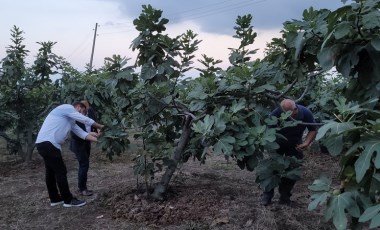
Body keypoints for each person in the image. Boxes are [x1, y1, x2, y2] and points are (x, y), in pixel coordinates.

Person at [35, 102, 104, 208]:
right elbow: (85, 120)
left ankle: (55, 199)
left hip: (42, 144)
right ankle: (68, 200)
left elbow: (82, 134)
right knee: (61, 172)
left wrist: (100, 140)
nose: (83, 114)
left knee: (51, 172)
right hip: (49, 144)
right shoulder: (67, 107)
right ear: (78, 107)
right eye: (83, 111)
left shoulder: (70, 121)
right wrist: (100, 126)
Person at [261, 99, 317, 206]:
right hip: (276, 144)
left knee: (293, 170)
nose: (287, 116)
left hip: (295, 145)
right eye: (284, 113)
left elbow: (313, 129)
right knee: (271, 169)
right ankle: (267, 194)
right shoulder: (275, 114)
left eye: (290, 113)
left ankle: (285, 197)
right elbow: (268, 133)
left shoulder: (305, 113)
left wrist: (306, 143)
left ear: (295, 109)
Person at [70, 100, 96, 196]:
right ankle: (82, 189)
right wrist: (88, 134)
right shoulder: (75, 116)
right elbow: (75, 134)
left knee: (85, 164)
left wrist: (97, 131)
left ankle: (82, 187)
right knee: (84, 164)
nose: (86, 109)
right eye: (84, 108)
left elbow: (94, 123)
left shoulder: (91, 112)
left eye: (87, 107)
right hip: (78, 143)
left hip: (87, 142)